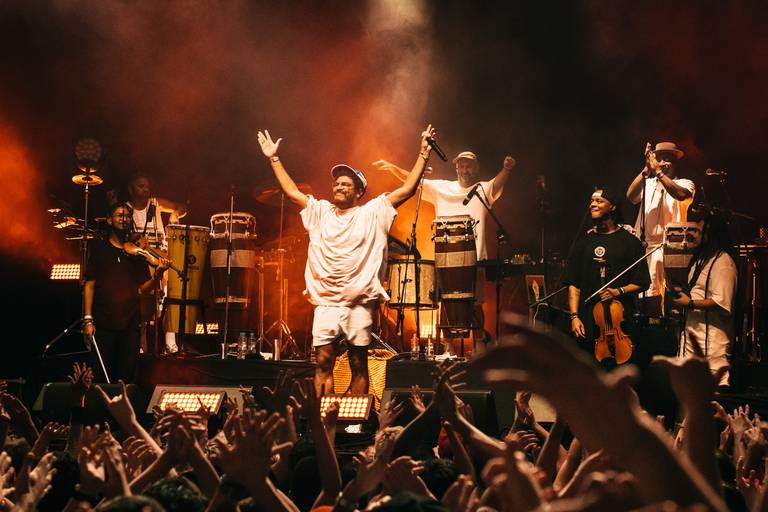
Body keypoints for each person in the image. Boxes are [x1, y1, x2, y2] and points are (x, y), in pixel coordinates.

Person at [256, 124, 436, 395]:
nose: (339, 187)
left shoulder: (373, 212)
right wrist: (274, 158)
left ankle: (355, 417)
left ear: (358, 192)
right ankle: (324, 416)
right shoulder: (320, 211)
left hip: (358, 302)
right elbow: (293, 193)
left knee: (358, 363)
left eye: (346, 184)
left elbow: (407, 189)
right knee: (323, 362)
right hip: (326, 302)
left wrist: (423, 154)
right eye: (337, 183)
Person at [373, 151, 516, 343]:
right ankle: (448, 347)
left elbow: (497, 183)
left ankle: (479, 346)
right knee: (446, 302)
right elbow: (413, 181)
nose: (465, 170)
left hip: (475, 259)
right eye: (461, 165)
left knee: (475, 303)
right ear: (456, 168)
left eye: (469, 166)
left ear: (475, 169)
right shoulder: (441, 187)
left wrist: (506, 169)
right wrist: (392, 168)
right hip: (445, 258)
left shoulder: (481, 189)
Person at [83, 203, 170, 382]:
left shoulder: (136, 254)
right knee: (101, 379)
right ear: (109, 220)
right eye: (119, 215)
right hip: (104, 325)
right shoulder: (99, 249)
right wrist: (88, 319)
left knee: (126, 379)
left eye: (128, 216)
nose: (124, 219)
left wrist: (157, 275)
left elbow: (143, 290)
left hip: (130, 326)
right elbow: (89, 285)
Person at [563, 187, 651, 364]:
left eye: (599, 201)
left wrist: (618, 291)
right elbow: (574, 283)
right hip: (588, 322)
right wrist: (574, 316)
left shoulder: (630, 242)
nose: (593, 204)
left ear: (613, 207)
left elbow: (643, 282)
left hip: (621, 321)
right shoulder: (584, 242)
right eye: (592, 201)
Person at [625, 142, 695, 314]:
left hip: (673, 248)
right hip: (647, 247)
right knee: (649, 299)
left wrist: (658, 171)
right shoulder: (647, 183)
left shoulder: (685, 183)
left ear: (675, 163)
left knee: (674, 299)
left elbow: (680, 195)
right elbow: (631, 196)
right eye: (659, 159)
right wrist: (646, 169)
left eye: (667, 159)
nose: (662, 162)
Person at [672, 214, 738, 387]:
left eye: (699, 232)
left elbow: (722, 302)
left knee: (712, 395)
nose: (693, 234)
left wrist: (689, 304)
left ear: (712, 236)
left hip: (712, 346)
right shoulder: (700, 260)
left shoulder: (724, 264)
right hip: (692, 340)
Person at [125, 173, 187, 354]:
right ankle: (140, 347)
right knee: (142, 305)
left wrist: (175, 213)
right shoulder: (126, 209)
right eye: (140, 186)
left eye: (147, 186)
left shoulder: (156, 203)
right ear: (131, 189)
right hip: (139, 260)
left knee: (170, 298)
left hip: (162, 257)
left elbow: (181, 207)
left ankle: (170, 344)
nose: (145, 189)